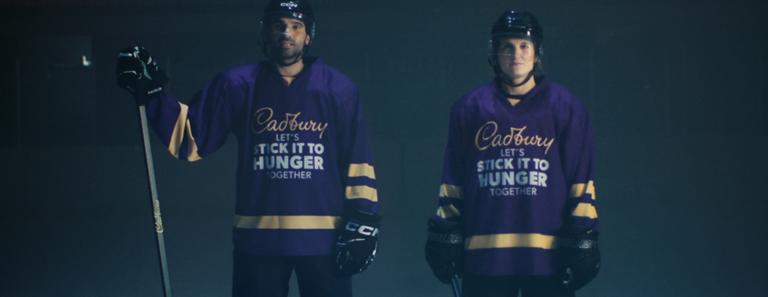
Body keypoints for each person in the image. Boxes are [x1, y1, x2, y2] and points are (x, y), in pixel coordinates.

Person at [115, 1, 380, 296]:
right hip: (259, 241)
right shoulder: (237, 85)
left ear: (308, 36)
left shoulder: (339, 89)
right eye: (278, 25)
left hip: (325, 240)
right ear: (265, 34)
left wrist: (364, 219)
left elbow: (357, 158)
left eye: (296, 26)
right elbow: (190, 140)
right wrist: (152, 94)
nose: (286, 33)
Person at [425, 10, 601, 297]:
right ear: (495, 53)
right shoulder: (469, 109)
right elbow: (453, 178)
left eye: (524, 46)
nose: (515, 54)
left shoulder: (566, 108)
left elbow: (580, 182)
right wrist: (444, 231)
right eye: (507, 46)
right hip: (484, 258)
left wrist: (583, 235)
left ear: (536, 53)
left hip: (547, 260)